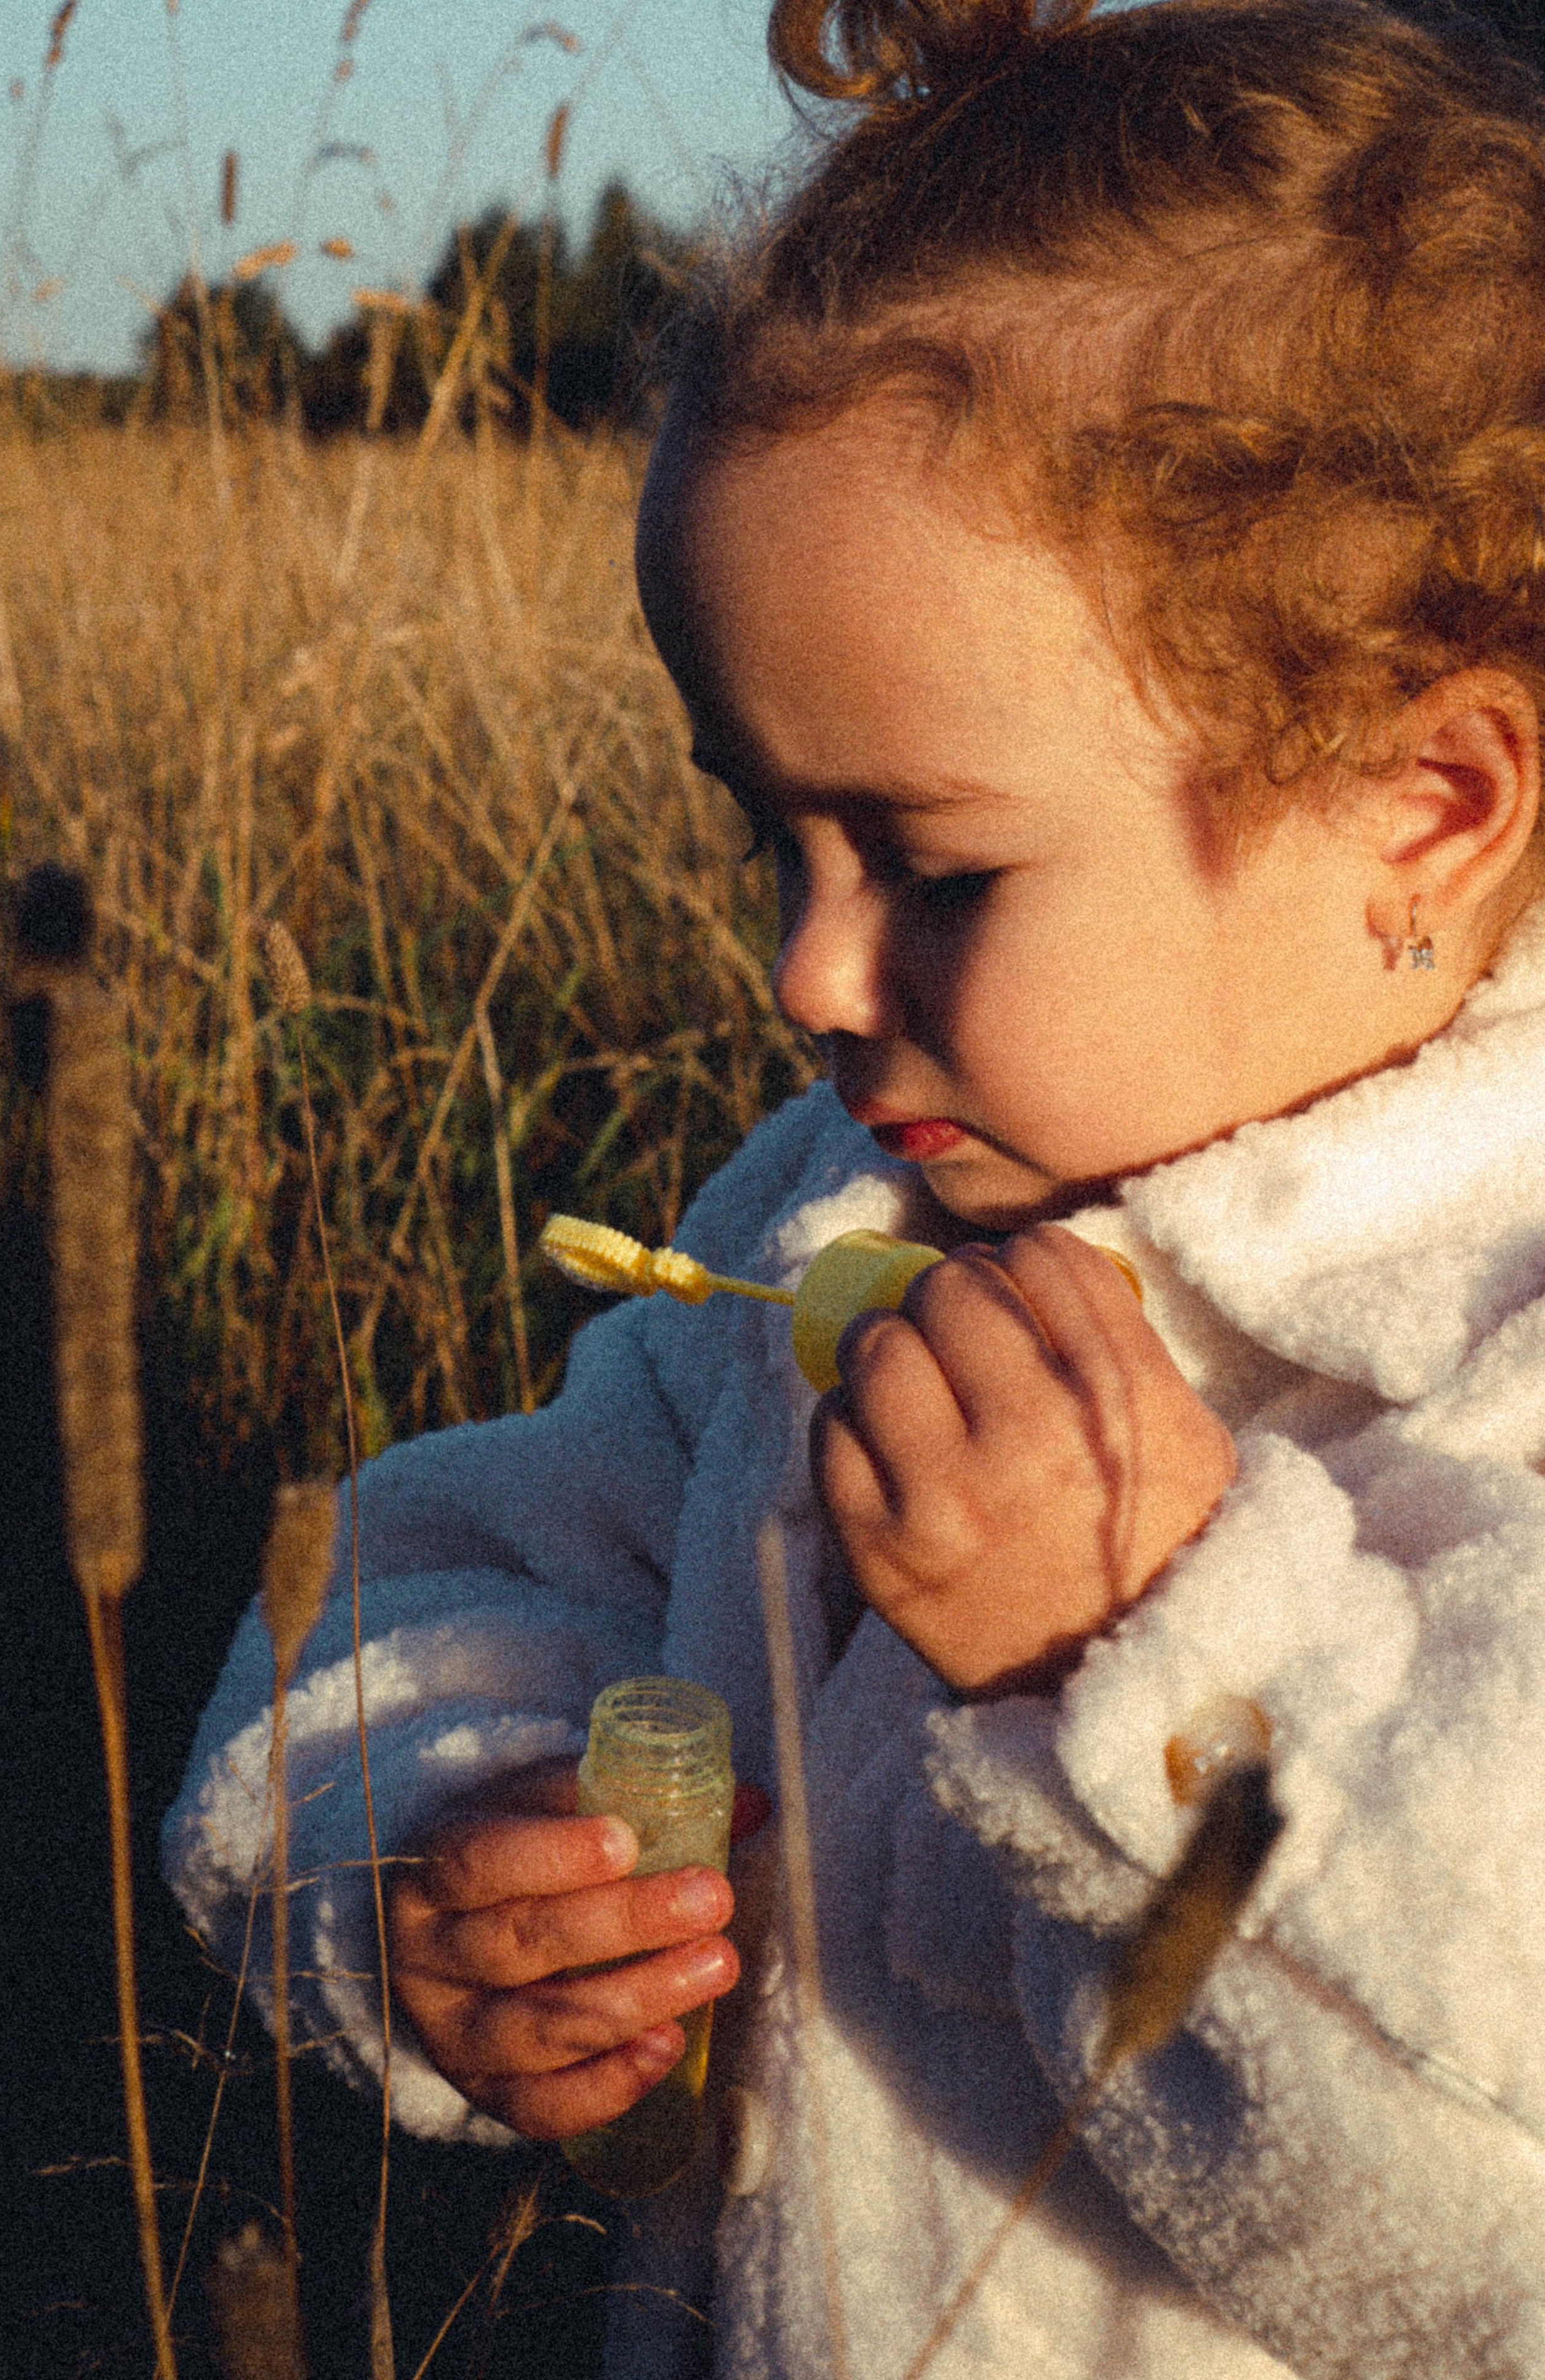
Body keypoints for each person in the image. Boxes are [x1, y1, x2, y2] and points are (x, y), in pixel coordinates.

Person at [165, 0, 1545, 2370]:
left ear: (1421, 809)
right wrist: (442, 1856)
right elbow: (427, 1575)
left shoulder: (1491, 1326)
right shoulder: (828, 1226)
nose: (807, 964)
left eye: (929, 863)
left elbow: (1487, 2224)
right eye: (764, 834)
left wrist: (1139, 1648)